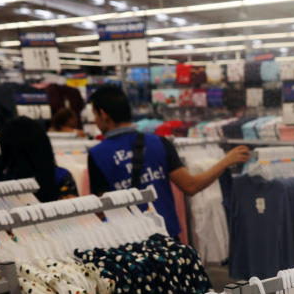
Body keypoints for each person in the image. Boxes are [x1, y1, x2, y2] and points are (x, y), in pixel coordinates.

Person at [86, 85, 250, 238]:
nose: (96, 121)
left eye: (95, 115)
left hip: (128, 243)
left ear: (103, 114)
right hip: (167, 238)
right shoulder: (159, 143)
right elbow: (191, 186)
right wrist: (224, 162)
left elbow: (102, 211)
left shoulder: (97, 155)